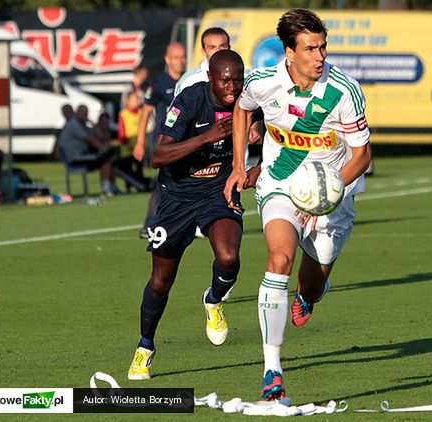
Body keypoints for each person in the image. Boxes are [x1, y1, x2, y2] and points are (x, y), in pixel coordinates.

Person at [224, 9, 371, 400]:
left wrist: (325, 192)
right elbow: (242, 107)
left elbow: (362, 157)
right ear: (289, 52)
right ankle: (272, 369)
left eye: (323, 47)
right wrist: (240, 164)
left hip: (335, 192)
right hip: (280, 182)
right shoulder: (263, 81)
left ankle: (309, 294)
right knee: (279, 260)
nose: (320, 56)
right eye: (311, 48)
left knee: (313, 278)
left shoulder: (344, 90)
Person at [128, 50, 251, 380]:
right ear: (210, 77)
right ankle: (145, 348)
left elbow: (267, 135)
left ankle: (213, 300)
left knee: (229, 257)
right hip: (176, 196)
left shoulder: (248, 100)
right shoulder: (190, 100)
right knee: (160, 281)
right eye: (226, 80)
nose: (233, 88)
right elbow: (158, 155)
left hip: (218, 190)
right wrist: (208, 136)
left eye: (238, 80)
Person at [134, 42, 187, 238]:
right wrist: (140, 142)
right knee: (165, 181)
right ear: (167, 60)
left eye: (182, 57)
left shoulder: (190, 80)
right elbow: (146, 112)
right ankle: (150, 224)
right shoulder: (158, 83)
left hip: (186, 140)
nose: (180, 61)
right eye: (176, 57)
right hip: (164, 141)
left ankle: (186, 222)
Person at [57, 104, 116, 196]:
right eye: (83, 113)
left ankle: (112, 186)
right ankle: (106, 189)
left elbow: (98, 136)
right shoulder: (74, 124)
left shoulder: (81, 124)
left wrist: (91, 122)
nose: (85, 115)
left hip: (82, 155)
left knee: (109, 157)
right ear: (77, 113)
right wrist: (103, 149)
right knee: (106, 159)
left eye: (86, 113)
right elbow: (90, 139)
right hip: (75, 158)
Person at [174, 28, 230, 97]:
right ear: (203, 51)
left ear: (229, 48)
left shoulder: (245, 76)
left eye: (223, 46)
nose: (218, 51)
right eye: (212, 47)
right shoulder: (189, 81)